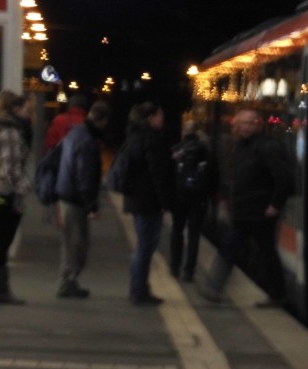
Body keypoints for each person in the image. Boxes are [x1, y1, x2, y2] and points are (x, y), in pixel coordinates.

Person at [198, 107, 290, 307]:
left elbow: (284, 179)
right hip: (244, 210)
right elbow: (236, 177)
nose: (245, 127)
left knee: (254, 251)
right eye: (242, 123)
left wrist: (275, 205)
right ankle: (278, 294)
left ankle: (215, 287)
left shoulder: (267, 147)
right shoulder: (239, 147)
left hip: (260, 212)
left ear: (258, 124)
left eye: (250, 123)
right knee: (261, 252)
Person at [53, 101, 111, 299]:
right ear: (102, 121)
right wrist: (92, 205)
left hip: (68, 194)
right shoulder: (87, 141)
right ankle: (66, 282)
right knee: (76, 243)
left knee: (73, 242)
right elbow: (85, 176)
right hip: (75, 199)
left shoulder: (76, 133)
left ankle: (69, 281)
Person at [0, 89, 33, 304]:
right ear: (13, 109)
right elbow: (11, 171)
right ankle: (1, 292)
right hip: (6, 195)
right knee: (2, 244)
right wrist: (26, 189)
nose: (30, 114)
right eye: (26, 109)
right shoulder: (11, 133)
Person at [120, 101, 175, 305]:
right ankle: (139, 291)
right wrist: (165, 202)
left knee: (143, 246)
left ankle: (139, 288)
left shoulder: (133, 137)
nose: (163, 119)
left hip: (137, 199)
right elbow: (157, 174)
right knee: (145, 247)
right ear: (150, 118)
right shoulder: (152, 140)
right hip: (148, 201)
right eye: (159, 115)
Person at [169, 118, 216, 282]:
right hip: (199, 199)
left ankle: (174, 267)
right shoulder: (207, 151)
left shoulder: (175, 150)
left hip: (179, 197)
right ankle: (189, 271)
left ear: (184, 132)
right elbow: (213, 177)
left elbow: (169, 175)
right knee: (194, 235)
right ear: (198, 132)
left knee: (177, 231)